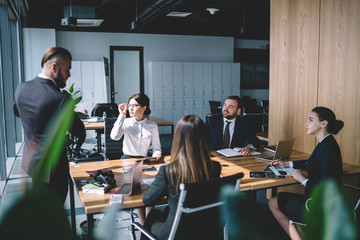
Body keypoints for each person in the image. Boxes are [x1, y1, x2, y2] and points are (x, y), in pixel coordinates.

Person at [13, 47, 86, 204]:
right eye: (68, 69)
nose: (69, 75)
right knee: (53, 215)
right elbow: (79, 131)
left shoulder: (21, 88)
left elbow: (17, 111)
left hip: (32, 164)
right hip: (54, 170)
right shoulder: (59, 98)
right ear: (54, 67)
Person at [268, 106, 344, 240]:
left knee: (273, 202)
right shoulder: (326, 143)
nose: (306, 124)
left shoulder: (328, 148)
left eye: (310, 120)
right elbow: (312, 162)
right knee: (280, 197)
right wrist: (288, 164)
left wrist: (302, 180)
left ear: (323, 123)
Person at [141, 114, 222, 239]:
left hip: (176, 232)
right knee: (167, 210)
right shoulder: (215, 166)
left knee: (153, 215)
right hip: (207, 228)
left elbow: (148, 200)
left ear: (178, 139)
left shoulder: (168, 171)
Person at [110, 93, 162, 160]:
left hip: (144, 159)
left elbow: (156, 148)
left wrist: (156, 156)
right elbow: (115, 136)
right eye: (130, 105)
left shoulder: (153, 126)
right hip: (127, 159)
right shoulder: (126, 122)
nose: (130, 108)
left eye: (134, 105)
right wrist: (122, 115)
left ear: (144, 108)